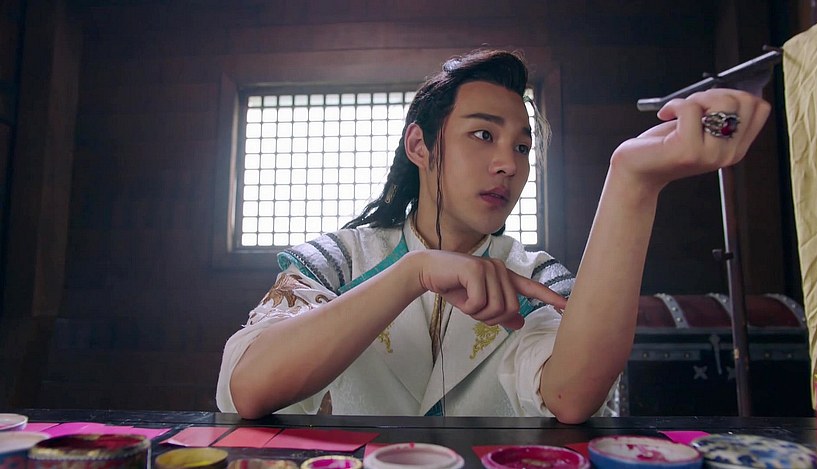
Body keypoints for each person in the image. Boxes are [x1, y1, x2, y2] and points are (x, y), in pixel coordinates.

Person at [216, 49, 771, 422]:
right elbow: (249, 388)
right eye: (483, 134)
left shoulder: (535, 277)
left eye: (523, 147)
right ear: (419, 146)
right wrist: (413, 273)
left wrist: (633, 179)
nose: (509, 163)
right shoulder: (337, 259)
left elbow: (569, 396)